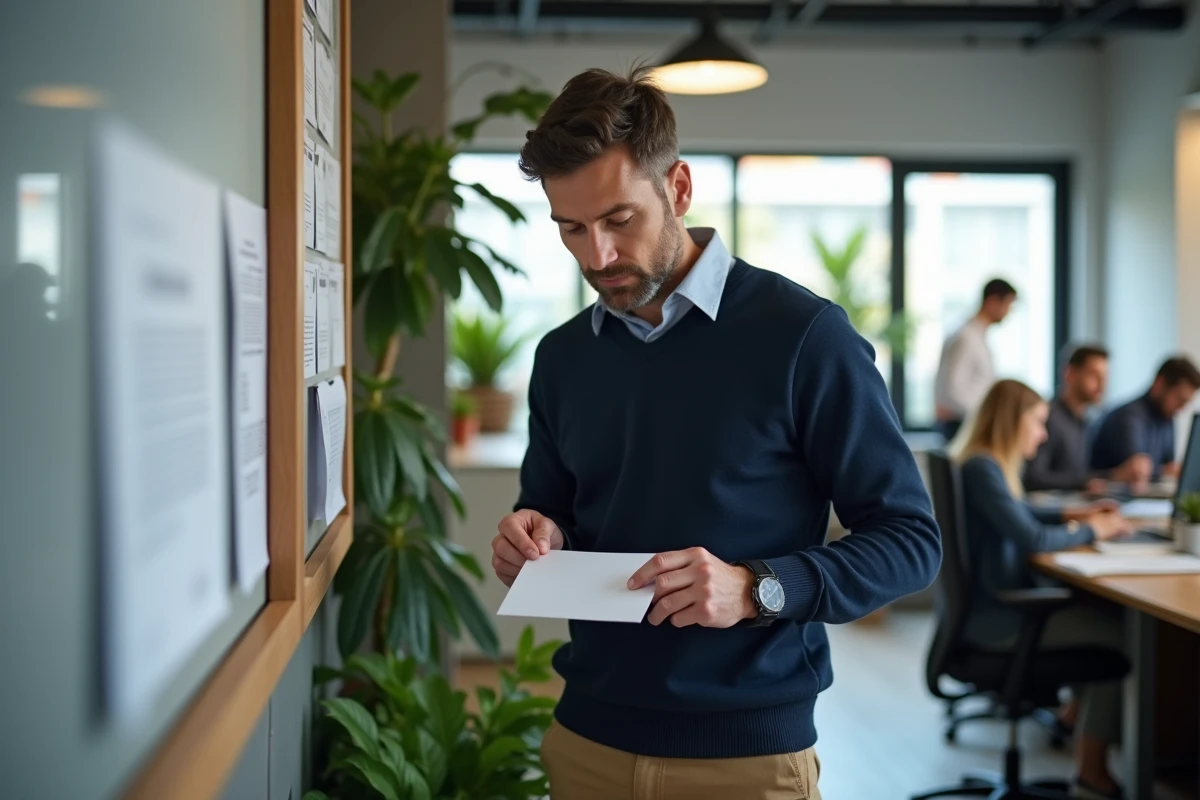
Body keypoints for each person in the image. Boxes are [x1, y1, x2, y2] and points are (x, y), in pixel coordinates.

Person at [490, 66, 941, 800]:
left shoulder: (805, 338)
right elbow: (555, 513)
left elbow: (910, 543)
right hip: (584, 744)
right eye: (571, 229)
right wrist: (536, 536)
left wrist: (755, 588)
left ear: (679, 188)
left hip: (745, 759)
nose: (596, 256)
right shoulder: (563, 357)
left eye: (618, 219)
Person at [955, 379, 1131, 800]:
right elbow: (1032, 537)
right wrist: (1093, 528)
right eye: (1037, 422)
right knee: (1122, 636)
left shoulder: (983, 465)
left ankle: (1072, 718)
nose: (1044, 433)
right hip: (998, 622)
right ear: (1010, 422)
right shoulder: (983, 468)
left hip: (990, 611)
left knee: (1100, 618)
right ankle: (1091, 770)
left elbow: (1022, 513)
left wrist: (1074, 510)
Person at [1024, 343, 1151, 492]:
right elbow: (1034, 477)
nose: (1102, 385)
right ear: (1069, 374)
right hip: (1053, 509)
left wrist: (1116, 475)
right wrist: (1085, 483)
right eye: (1094, 375)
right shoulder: (1048, 418)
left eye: (1104, 377)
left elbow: (1081, 476)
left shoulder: (1086, 422)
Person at [1090, 355, 1200, 482]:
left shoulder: (1167, 418)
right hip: (1109, 497)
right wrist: (1164, 471)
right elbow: (1137, 471)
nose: (1181, 408)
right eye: (1180, 399)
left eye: (1185, 403)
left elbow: (1170, 466)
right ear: (1160, 384)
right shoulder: (1129, 416)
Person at [933, 279, 1017, 441]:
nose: (1008, 312)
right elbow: (953, 391)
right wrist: (988, 414)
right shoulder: (966, 338)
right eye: (1008, 305)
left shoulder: (976, 336)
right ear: (992, 302)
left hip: (968, 422)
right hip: (962, 424)